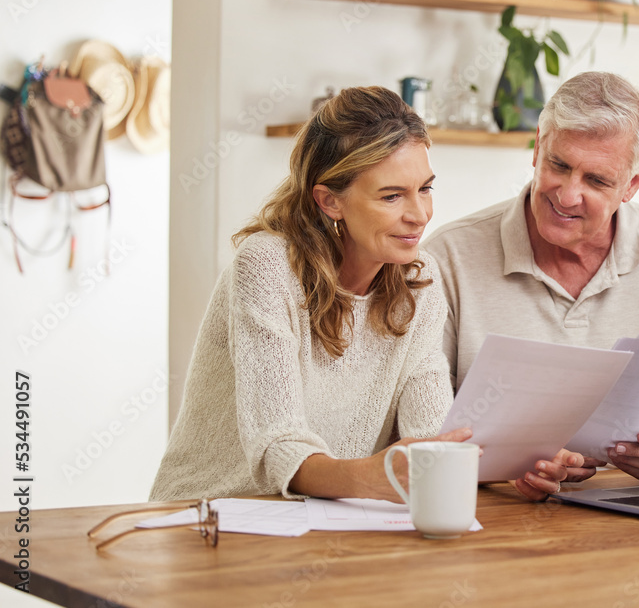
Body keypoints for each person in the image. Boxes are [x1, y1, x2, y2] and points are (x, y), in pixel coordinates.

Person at [150, 86, 570, 503]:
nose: (419, 215)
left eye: (425, 189)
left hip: (330, 522)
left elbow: (433, 433)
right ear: (330, 201)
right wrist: (369, 478)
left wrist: (505, 467)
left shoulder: (418, 280)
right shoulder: (266, 267)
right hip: (208, 516)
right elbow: (277, 445)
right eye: (392, 196)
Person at [424, 72, 639, 486]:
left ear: (632, 184)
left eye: (596, 180)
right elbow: (423, 429)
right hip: (495, 517)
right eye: (559, 165)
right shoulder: (447, 256)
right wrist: (502, 464)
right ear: (538, 148)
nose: (568, 195)